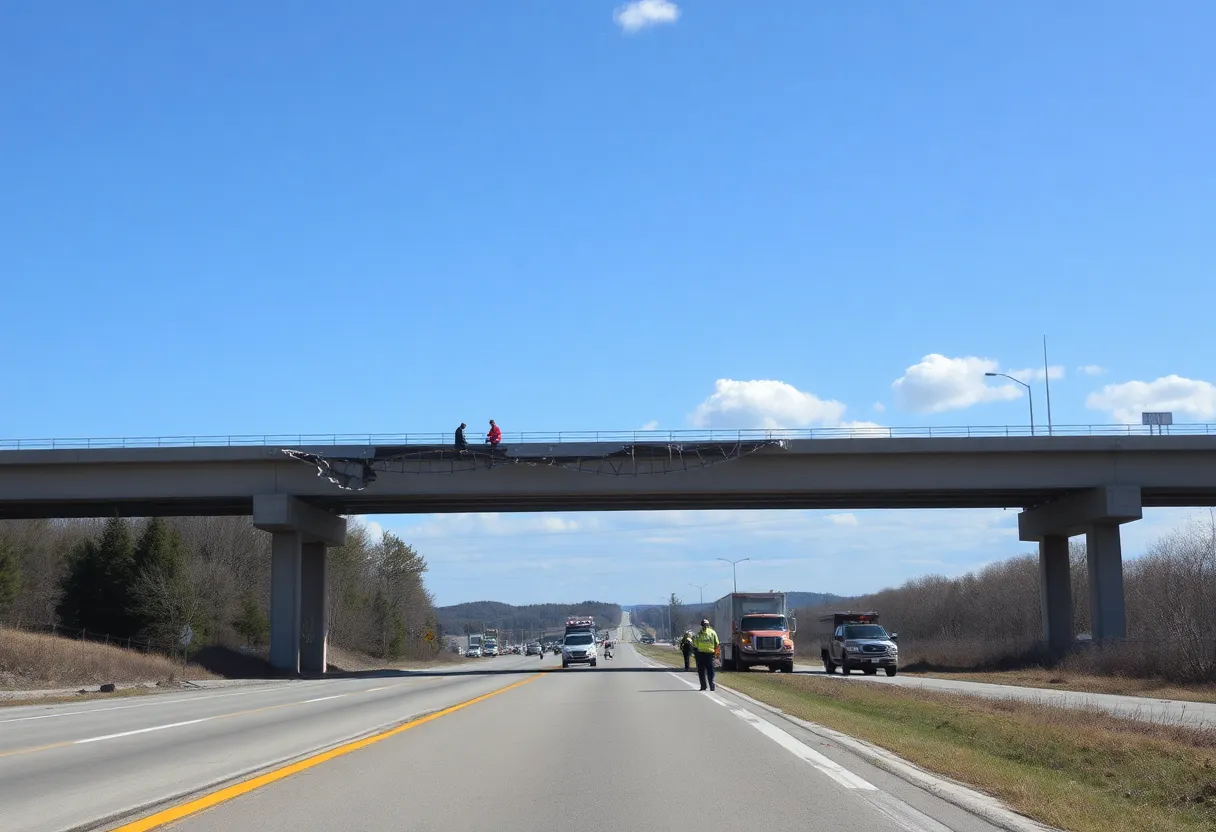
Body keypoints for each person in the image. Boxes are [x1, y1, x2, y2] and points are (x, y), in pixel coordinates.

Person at [691, 618, 720, 691]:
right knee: (709, 671)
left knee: (702, 671)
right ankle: (710, 686)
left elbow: (695, 644)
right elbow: (717, 643)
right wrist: (716, 654)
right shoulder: (712, 632)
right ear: (708, 625)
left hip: (702, 654)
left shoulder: (699, 634)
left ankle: (704, 686)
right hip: (708, 654)